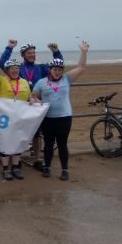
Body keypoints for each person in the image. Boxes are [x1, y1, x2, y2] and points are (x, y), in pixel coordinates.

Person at [0, 40, 64, 169]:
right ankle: (18, 159)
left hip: (36, 103)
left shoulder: (40, 68)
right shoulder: (18, 67)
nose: (32, 55)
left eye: (33, 52)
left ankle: (37, 159)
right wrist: (9, 48)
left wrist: (56, 52)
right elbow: (2, 64)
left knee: (36, 133)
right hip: (22, 104)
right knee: (19, 131)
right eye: (29, 53)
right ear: (23, 55)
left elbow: (58, 66)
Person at [32, 40, 90, 181]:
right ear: (49, 70)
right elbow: (33, 96)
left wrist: (84, 52)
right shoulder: (41, 82)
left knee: (62, 144)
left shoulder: (66, 79)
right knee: (49, 144)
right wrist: (37, 101)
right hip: (48, 118)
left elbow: (81, 67)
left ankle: (64, 170)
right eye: (54, 69)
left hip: (64, 118)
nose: (57, 72)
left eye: (59, 70)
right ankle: (47, 167)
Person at [0, 49, 32, 180]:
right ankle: (5, 169)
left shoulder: (24, 82)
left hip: (20, 119)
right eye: (11, 68)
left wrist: (32, 99)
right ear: (6, 70)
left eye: (16, 68)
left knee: (18, 143)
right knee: (5, 143)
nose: (14, 70)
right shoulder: (1, 81)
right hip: (5, 119)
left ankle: (16, 167)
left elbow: (29, 97)